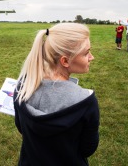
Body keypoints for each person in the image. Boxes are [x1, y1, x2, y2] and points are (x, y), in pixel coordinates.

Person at [13, 23, 99, 165]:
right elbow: (87, 148)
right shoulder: (86, 101)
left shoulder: (23, 87)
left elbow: (21, 127)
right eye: (86, 53)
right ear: (65, 61)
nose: (92, 57)